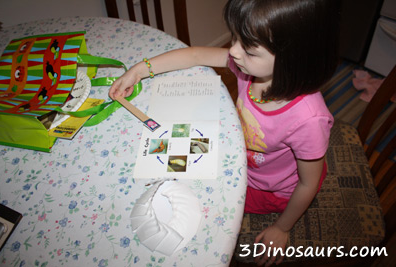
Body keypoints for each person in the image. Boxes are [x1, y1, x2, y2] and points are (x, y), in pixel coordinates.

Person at [109, 0, 340, 265]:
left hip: (273, 189)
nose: (233, 51)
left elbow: (308, 183)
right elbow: (195, 55)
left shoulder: (309, 120)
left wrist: (282, 227)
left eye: (249, 49)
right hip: (245, 154)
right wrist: (140, 70)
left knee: (200, 200)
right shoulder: (250, 68)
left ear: (294, 58)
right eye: (235, 38)